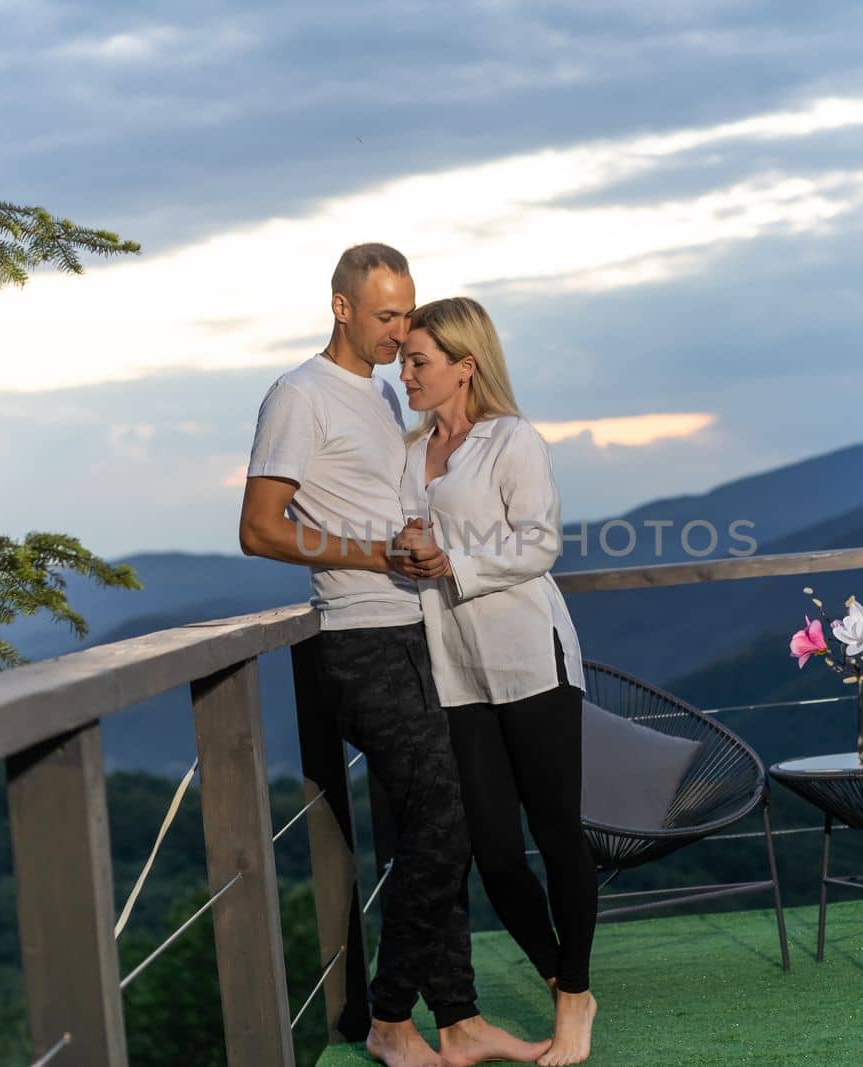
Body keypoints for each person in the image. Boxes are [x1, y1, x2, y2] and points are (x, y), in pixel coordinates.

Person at [238, 246, 546, 1067]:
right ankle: (387, 1017)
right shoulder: (298, 396)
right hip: (357, 640)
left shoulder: (381, 393)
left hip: (422, 631)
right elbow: (260, 527)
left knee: (440, 819)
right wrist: (378, 555)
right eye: (383, 316)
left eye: (405, 315)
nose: (399, 332)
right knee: (445, 821)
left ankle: (461, 1019)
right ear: (340, 307)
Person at [394, 297, 599, 1066]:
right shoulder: (410, 450)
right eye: (405, 360)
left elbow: (540, 543)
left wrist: (456, 562)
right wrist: (407, 547)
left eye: (419, 361)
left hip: (531, 660)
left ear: (464, 365)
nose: (405, 372)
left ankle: (574, 999)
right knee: (496, 853)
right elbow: (411, 537)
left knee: (556, 833)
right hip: (457, 672)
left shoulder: (512, 439)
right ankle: (562, 975)